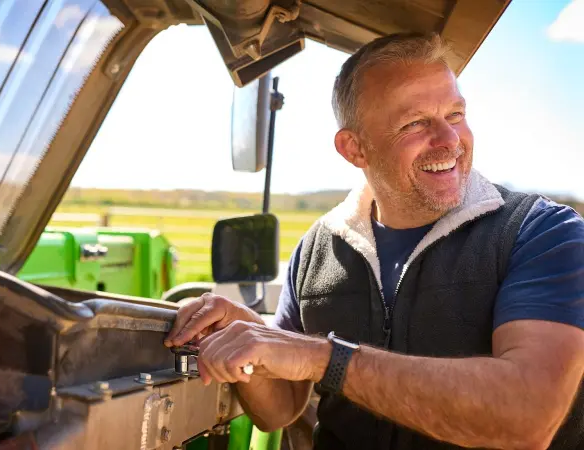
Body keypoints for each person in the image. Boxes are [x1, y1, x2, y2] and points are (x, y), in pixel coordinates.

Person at [165, 32, 584, 449]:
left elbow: (526, 421)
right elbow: (279, 411)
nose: (450, 140)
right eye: (416, 123)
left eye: (455, 115)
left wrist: (324, 358)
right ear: (355, 148)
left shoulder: (542, 234)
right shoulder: (318, 249)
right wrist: (247, 335)